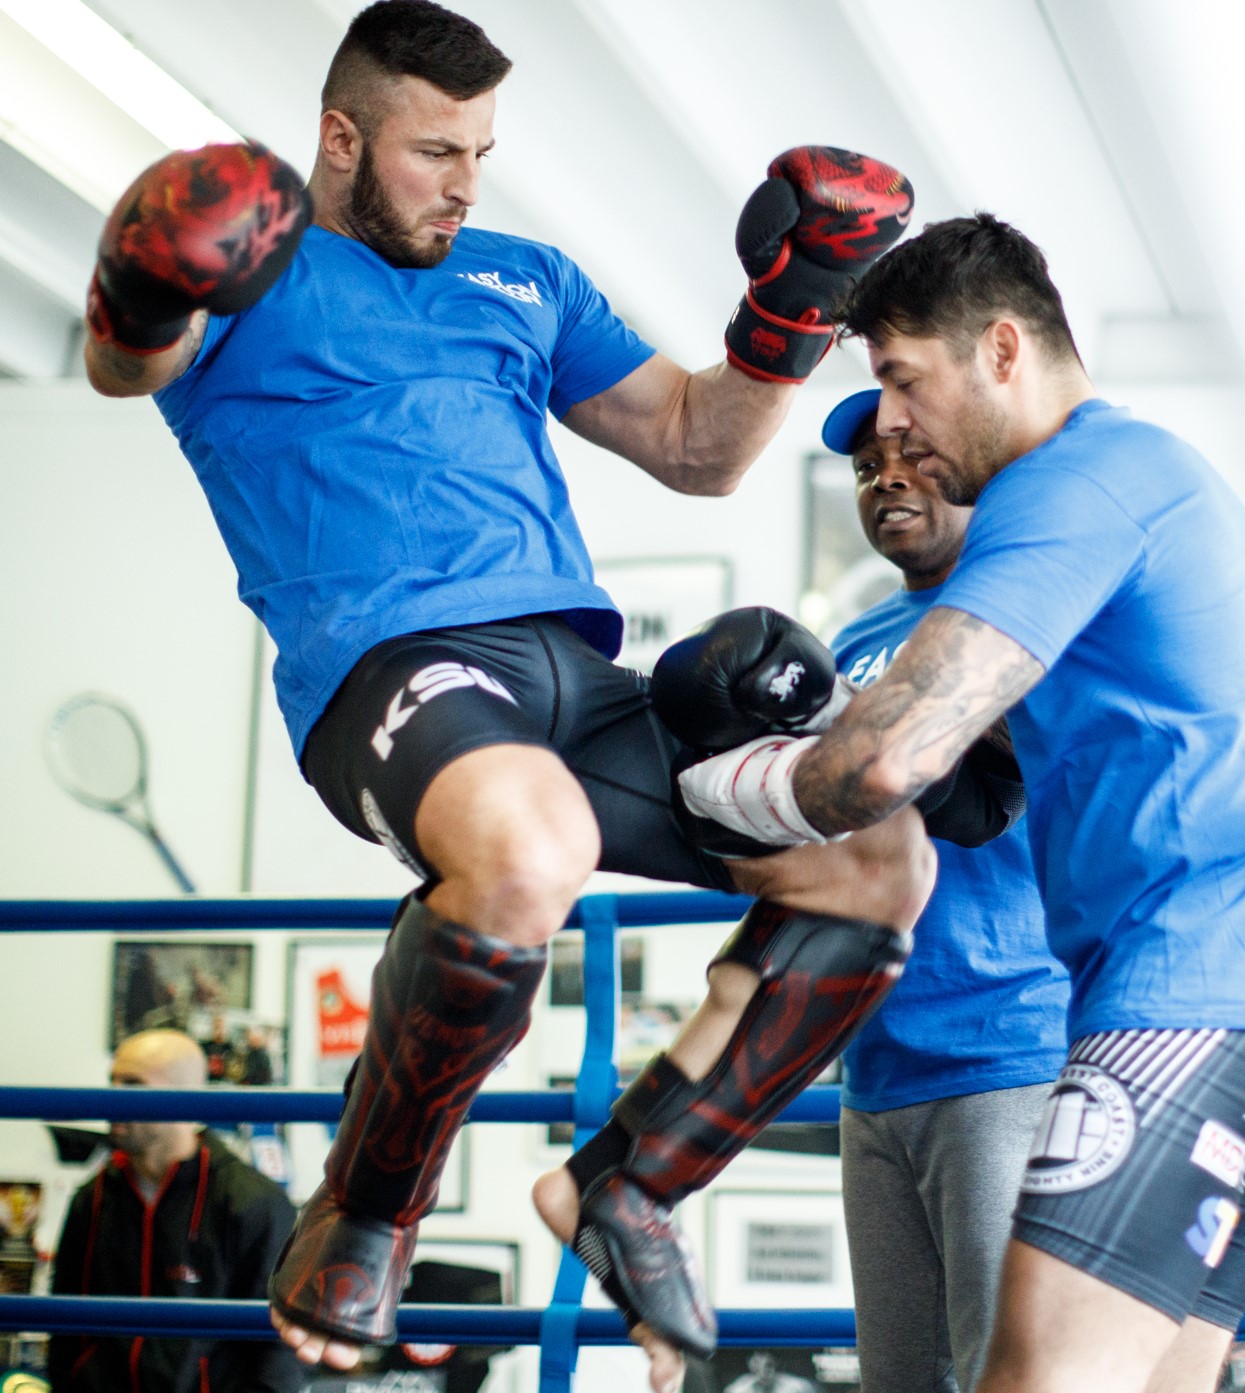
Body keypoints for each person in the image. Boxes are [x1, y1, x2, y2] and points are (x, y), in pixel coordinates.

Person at [79, 4, 928, 1387]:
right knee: (534, 844)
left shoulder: (526, 277)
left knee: (873, 855)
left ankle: (631, 1183)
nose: (466, 183)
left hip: (575, 683)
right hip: (395, 671)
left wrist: (796, 307)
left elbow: (699, 446)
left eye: (481, 151)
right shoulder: (258, 277)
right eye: (435, 152)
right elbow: (130, 367)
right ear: (341, 139)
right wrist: (146, 280)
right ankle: (365, 1215)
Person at [673, 215, 1245, 1393]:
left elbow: (884, 763)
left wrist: (689, 792)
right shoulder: (1124, 478)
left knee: (1032, 1372)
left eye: (903, 380)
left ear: (1002, 349)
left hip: (1187, 995)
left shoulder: (1072, 486)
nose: (890, 423)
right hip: (1237, 996)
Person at [820, 389, 1070, 1393]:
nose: (886, 478)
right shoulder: (847, 646)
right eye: (866, 468)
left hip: (1006, 1048)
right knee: (900, 1380)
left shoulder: (1023, 611)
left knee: (1009, 1373)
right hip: (874, 1065)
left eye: (912, 456)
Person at [47, 1031, 303, 1393]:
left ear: (185, 1095)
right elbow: (64, 1324)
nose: (113, 1098)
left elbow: (278, 1352)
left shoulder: (253, 1202)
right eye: (113, 1082)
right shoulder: (94, 1197)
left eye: (132, 1085)